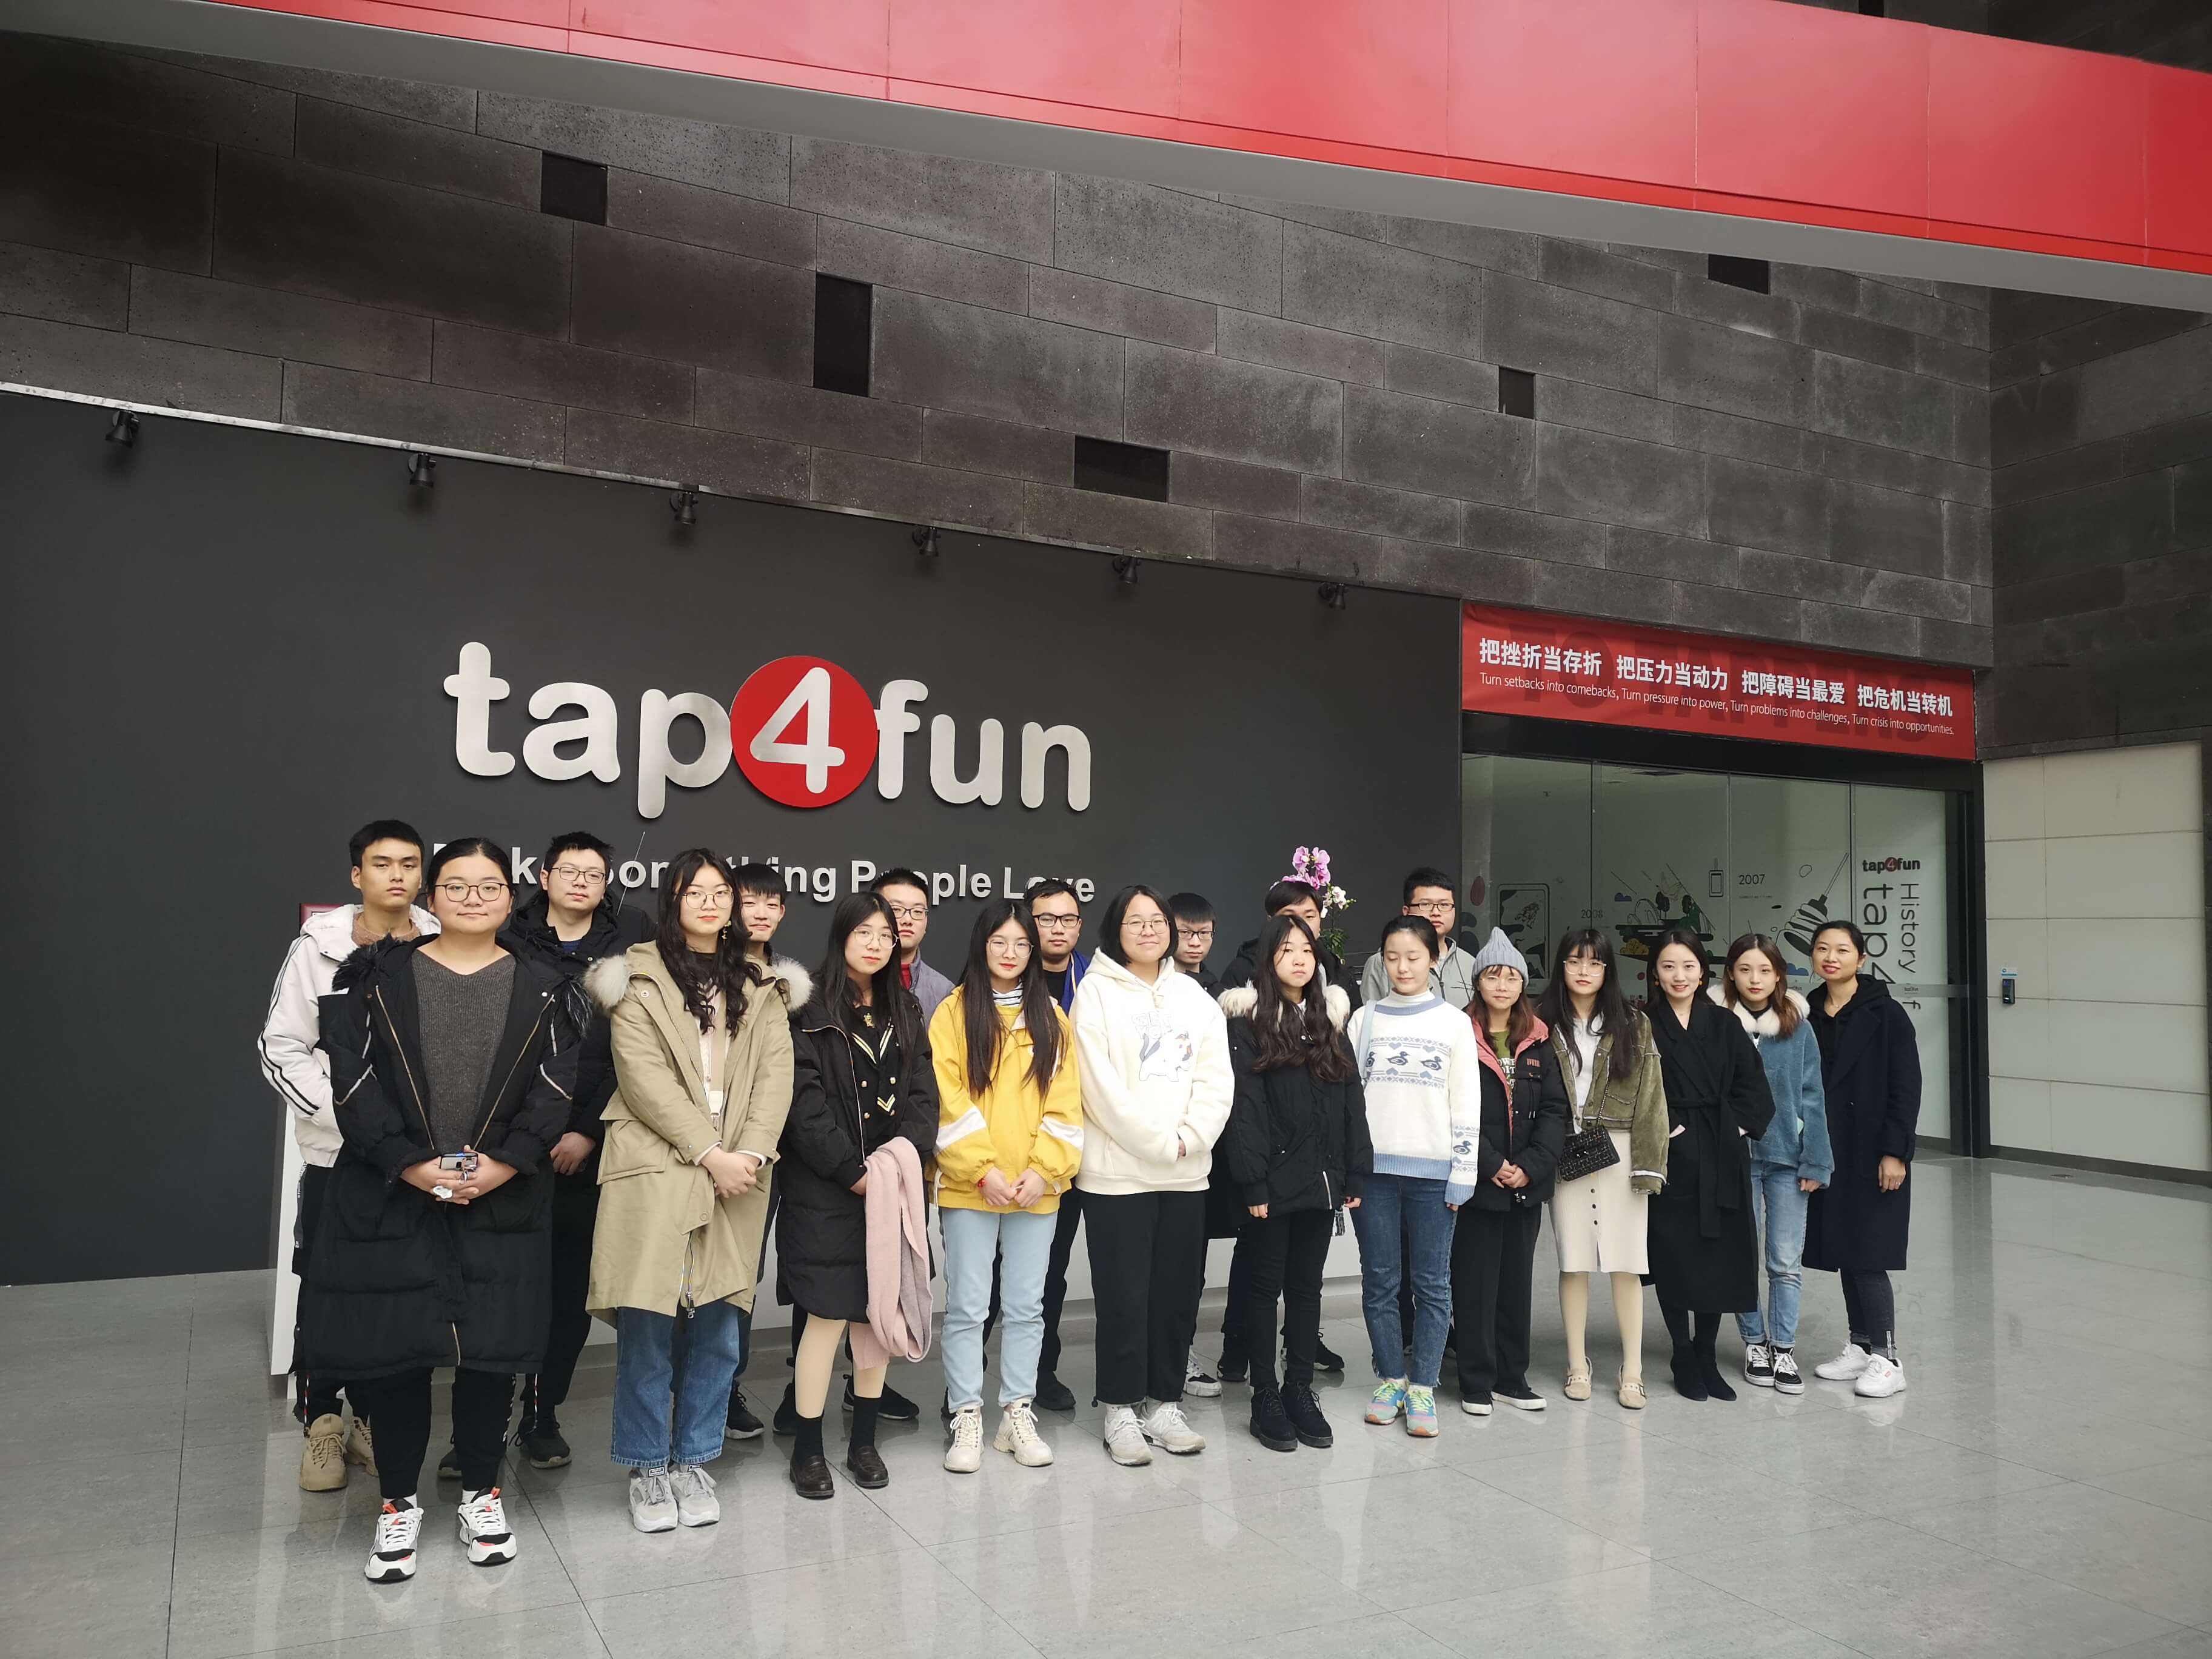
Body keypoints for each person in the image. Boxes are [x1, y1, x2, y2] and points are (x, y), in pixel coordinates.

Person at [304, 837, 576, 1584]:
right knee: (398, 1358)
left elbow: (556, 1088)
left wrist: (506, 1163)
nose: (472, 898)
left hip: (502, 1197)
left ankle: (482, 1494)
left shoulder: (546, 986)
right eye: (456, 885)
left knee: (491, 1356)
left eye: (489, 886)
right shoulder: (376, 975)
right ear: (433, 895)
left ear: (510, 898)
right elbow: (352, 1081)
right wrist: (409, 1163)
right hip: (395, 1193)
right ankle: (398, 1503)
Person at [583, 851, 795, 1532]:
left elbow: (776, 1078)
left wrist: (748, 1153)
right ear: (672, 900)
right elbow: (641, 1078)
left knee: (720, 1326)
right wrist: (708, 1153)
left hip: (740, 1167)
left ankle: (695, 1459)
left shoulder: (762, 984)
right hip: (657, 1161)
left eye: (720, 892)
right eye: (694, 892)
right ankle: (648, 1466)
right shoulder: (636, 976)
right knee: (649, 1321)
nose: (710, 902)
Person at [259, 819, 435, 1492]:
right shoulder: (319, 945)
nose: (397, 875)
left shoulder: (439, 940)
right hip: (340, 1154)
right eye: (382, 863)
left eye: (409, 863)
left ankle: (369, 1418)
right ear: (357, 875)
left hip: (415, 1156)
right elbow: (281, 1046)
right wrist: (352, 1117)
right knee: (327, 1291)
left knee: (392, 1293)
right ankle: (322, 1424)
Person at [498, 831, 653, 1471]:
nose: (582, 882)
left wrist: (587, 1130)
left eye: (594, 874)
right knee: (500, 1289)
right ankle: (481, 1422)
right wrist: (527, 1136)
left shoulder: (631, 942)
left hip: (589, 1147)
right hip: (510, 1147)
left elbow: (639, 1051)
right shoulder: (509, 937)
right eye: (570, 871)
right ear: (545, 877)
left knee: (566, 1293)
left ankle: (542, 1415)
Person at [779, 892, 938, 1497]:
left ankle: (863, 1442)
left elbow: (923, 1096)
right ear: (841, 935)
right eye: (863, 932)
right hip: (827, 1188)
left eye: (885, 935)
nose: (875, 944)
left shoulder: (906, 1008)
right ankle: (808, 1449)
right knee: (825, 1317)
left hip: (889, 1185)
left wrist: (898, 1165)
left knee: (876, 1318)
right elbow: (803, 1104)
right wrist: (853, 1171)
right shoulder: (807, 1006)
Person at [1073, 884, 1233, 1465]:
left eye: (1157, 920)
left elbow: (1217, 1078)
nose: (1148, 930)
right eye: (1135, 921)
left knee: (1175, 1296)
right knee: (1123, 1298)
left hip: (1186, 1175)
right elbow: (1098, 1089)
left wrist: (1191, 1139)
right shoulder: (1094, 994)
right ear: (1115, 930)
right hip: (1117, 1177)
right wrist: (1160, 1144)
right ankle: (1120, 1409)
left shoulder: (1194, 996)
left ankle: (1164, 1404)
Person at [933, 900, 1084, 1473]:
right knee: (968, 1308)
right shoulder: (953, 1013)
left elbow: (1066, 1104)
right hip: (972, 1187)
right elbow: (947, 1100)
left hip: (1035, 1189)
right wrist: (983, 1171)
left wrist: (1043, 1170)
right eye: (1000, 942)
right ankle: (966, 1415)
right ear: (982, 945)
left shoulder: (1053, 1019)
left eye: (1022, 944)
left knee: (1026, 1307)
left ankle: (1017, 1412)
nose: (1011, 953)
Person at [1218, 915, 1370, 1453]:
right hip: (1271, 1183)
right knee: (1264, 1289)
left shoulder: (1329, 1018)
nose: (1300, 959)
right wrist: (1253, 1182)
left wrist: (1356, 1168)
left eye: (1307, 949)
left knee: (1307, 1289)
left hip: (1323, 1179)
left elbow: (1351, 1098)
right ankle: (1265, 1394)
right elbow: (1244, 1109)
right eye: (1287, 950)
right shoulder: (1248, 1022)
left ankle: (1300, 1388)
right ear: (1268, 959)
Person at [1344, 917, 1483, 1438]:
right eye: (1392, 957)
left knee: (1432, 1284)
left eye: (1413, 957)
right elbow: (1348, 1103)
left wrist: (1463, 1171)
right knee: (1380, 1281)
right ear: (1381, 960)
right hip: (1374, 1175)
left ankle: (1423, 1385)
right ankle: (1391, 1380)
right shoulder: (1364, 1019)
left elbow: (1466, 1100)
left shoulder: (1453, 1023)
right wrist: (1350, 1170)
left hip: (1434, 1176)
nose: (1402, 967)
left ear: (1433, 959)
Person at [1534, 930, 1666, 1410]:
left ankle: (1632, 1370)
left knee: (1626, 1262)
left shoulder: (1634, 1022)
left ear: (1608, 970)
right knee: (1573, 1261)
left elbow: (1652, 1098)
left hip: (1621, 1148)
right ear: (1562, 967)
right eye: (1574, 961)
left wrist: (1649, 1167)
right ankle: (1577, 1363)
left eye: (1594, 963)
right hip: (1565, 1148)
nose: (1584, 971)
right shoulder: (1542, 1019)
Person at [1644, 930, 1775, 1402]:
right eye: (1668, 967)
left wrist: (1734, 1128)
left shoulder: (1724, 1023)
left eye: (1688, 966)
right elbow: (1634, 1086)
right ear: (1655, 974)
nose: (1679, 976)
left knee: (1718, 1255)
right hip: (1670, 1154)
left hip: (1721, 1151)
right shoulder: (1643, 1023)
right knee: (1674, 1254)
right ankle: (1682, 1353)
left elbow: (1753, 1087)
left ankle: (1706, 1352)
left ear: (1703, 973)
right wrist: (1672, 1130)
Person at [1803, 920, 1921, 1399]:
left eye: (1842, 950)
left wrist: (1896, 1152)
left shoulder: (1886, 1014)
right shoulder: (1808, 1011)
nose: (1831, 957)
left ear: (1861, 958)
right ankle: (1860, 1346)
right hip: (1830, 1148)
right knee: (1846, 1250)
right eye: (1822, 949)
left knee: (1869, 1253)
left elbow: (1906, 1087)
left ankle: (1888, 1359)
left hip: (1872, 1150)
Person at [1455, 930, 1568, 1415]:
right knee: (1475, 1285)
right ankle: (1476, 1380)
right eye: (1492, 976)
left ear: (1524, 983)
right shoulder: (1458, 1033)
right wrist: (1492, 1164)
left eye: (1511, 977)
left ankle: (1512, 1378)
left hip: (1526, 1186)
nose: (1502, 986)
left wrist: (1531, 1166)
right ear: (1478, 982)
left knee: (1516, 1285)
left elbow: (1556, 1110)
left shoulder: (1539, 1038)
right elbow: (1452, 1108)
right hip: (1478, 1182)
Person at [1714, 935, 1831, 1395]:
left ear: (1779, 975)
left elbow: (1812, 1094)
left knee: (1784, 1262)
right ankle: (1754, 1344)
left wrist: (1817, 1159)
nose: (1755, 979)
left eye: (1765, 970)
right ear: (1731, 974)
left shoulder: (1798, 1025)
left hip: (1787, 1157)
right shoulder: (1718, 1023)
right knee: (1741, 1256)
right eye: (1745, 969)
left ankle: (1783, 1348)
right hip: (1734, 1158)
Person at [723, 862, 812, 1443]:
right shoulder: (703, 972)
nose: (759, 912)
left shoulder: (791, 985)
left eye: (770, 903)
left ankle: (725, 1387)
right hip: (708, 1147)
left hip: (772, 1155)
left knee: (743, 1275)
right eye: (748, 901)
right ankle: (688, 1389)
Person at [1024, 877, 1091, 1410]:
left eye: (1067, 919)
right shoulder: (1004, 977)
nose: (1057, 928)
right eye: (1046, 919)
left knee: (1052, 1272)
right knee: (994, 1279)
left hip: (1072, 1152)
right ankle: (966, 1388)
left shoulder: (1096, 984)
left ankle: (1041, 1372)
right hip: (1011, 1155)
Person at [1219, 879, 1361, 1007]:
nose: (1299, 924)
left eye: (1309, 916)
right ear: (1270, 922)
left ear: (1320, 923)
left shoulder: (1336, 972)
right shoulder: (1242, 971)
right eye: (1289, 916)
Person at [1359, 868, 1478, 1010]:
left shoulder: (1471, 964)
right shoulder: (1380, 963)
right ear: (1407, 912)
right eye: (1426, 905)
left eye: (1444, 905)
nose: (1436, 912)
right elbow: (1372, 1017)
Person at [871, 867, 955, 1017]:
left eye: (918, 911)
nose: (907, 920)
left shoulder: (944, 992)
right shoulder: (855, 983)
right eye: (896, 909)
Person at [1169, 891, 1220, 994]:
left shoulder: (1219, 994)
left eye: (1204, 933)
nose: (1195, 943)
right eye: (1185, 932)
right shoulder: (1152, 986)